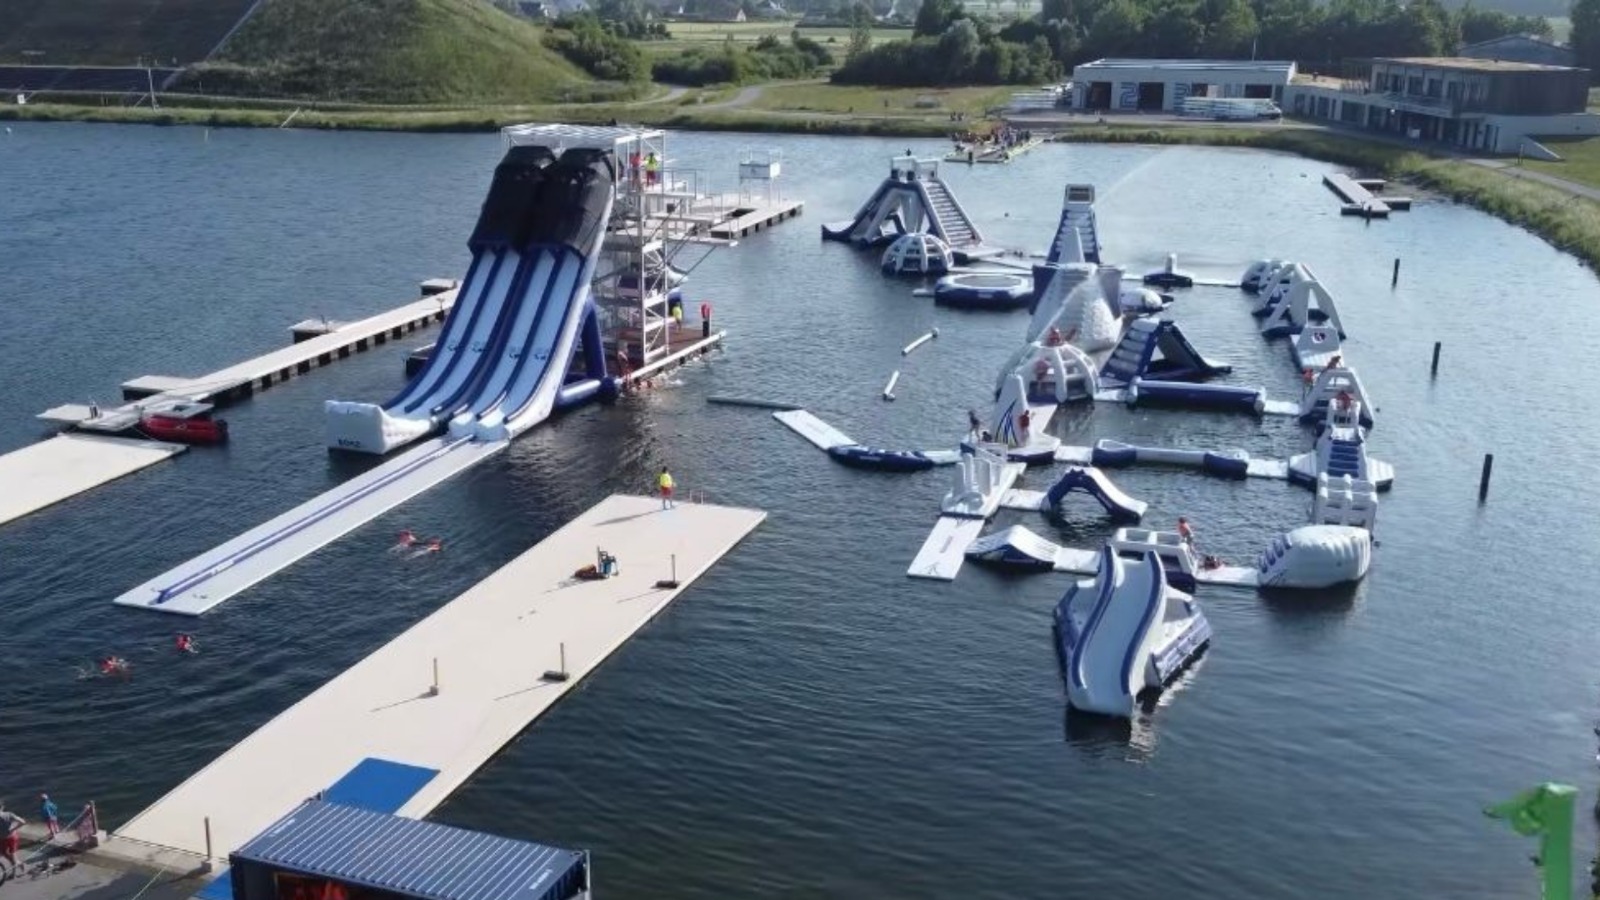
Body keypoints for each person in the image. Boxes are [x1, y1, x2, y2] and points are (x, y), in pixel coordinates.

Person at [1, 805, 24, 876]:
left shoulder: (9, 814)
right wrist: (13, 829)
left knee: (4, 853)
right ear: (2, 807)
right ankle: (17, 863)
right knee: (13, 855)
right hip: (12, 836)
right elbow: (23, 822)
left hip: (2, 838)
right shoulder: (9, 814)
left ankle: (14, 871)